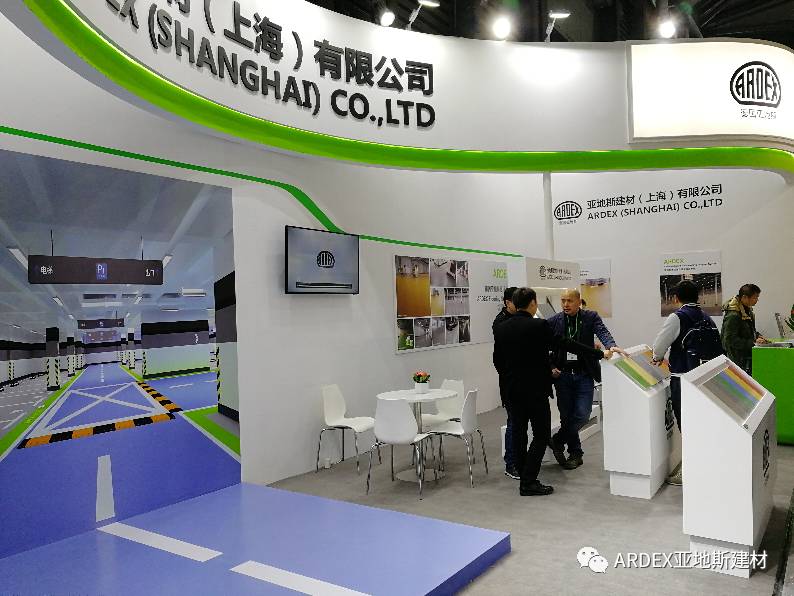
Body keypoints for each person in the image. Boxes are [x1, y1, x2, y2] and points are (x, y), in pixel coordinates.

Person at [494, 288, 611, 496]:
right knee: (541, 435)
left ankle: (523, 475)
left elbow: (497, 360)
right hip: (535, 391)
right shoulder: (539, 325)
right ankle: (529, 480)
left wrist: (510, 378)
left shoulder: (501, 328)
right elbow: (565, 343)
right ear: (533, 303)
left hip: (512, 391)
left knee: (519, 433)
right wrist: (598, 353)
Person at [651, 280, 720, 486]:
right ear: (698, 296)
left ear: (676, 298)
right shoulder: (707, 317)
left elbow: (659, 346)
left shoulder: (677, 317)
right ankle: (705, 465)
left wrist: (657, 357)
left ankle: (689, 470)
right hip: (705, 378)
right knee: (701, 424)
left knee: (687, 425)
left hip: (683, 379)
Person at [547, 289, 624, 470]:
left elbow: (603, 332)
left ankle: (557, 440)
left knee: (582, 414)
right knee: (566, 416)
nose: (565, 304)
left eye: (569, 301)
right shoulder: (554, 321)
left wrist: (611, 346)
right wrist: (550, 366)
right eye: (563, 301)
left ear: (579, 301)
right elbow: (543, 346)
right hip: (563, 375)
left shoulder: (590, 317)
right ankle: (576, 453)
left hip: (584, 374)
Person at [492, 286, 518, 479]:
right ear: (507, 303)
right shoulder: (501, 323)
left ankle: (517, 459)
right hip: (510, 383)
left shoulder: (517, 318)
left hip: (520, 381)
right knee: (513, 422)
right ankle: (511, 463)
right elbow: (500, 360)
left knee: (518, 423)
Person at [722, 284, 770, 374]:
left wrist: (758, 336)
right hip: (737, 359)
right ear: (744, 297)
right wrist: (753, 342)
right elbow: (730, 340)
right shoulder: (733, 315)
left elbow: (748, 330)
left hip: (745, 357)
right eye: (755, 297)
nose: (757, 300)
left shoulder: (747, 310)